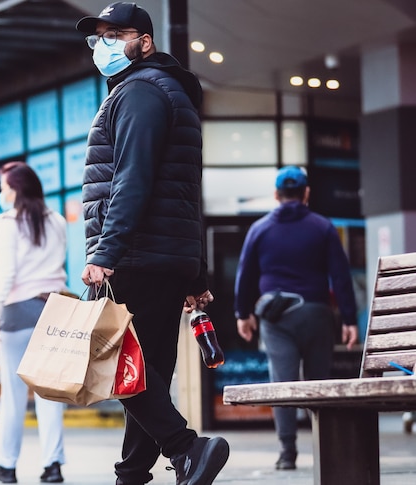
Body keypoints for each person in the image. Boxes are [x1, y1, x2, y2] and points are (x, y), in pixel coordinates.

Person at [75, 3, 229, 484]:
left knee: (119, 365)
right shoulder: (168, 94)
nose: (104, 45)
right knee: (149, 373)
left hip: (137, 256)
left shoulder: (139, 92)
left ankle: (186, 449)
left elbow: (133, 182)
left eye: (116, 34)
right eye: (98, 37)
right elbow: (184, 194)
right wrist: (195, 273)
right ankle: (133, 474)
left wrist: (104, 253)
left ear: (145, 41)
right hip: (165, 256)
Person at [234, 165, 359, 470]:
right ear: (306, 194)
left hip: (277, 319)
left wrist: (243, 313)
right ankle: (324, 448)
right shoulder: (323, 227)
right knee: (318, 384)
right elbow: (340, 276)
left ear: (276, 195)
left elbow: (245, 275)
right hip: (317, 314)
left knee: (283, 383)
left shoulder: (259, 229)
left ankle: (287, 452)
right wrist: (350, 320)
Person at [0, 161, 68, 484]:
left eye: (5, 187)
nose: (2, 192)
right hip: (54, 310)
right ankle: (53, 466)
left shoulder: (7, 223)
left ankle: (6, 465)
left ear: (17, 189)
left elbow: (5, 272)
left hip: (17, 314)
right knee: (51, 393)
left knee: (13, 394)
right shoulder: (58, 221)